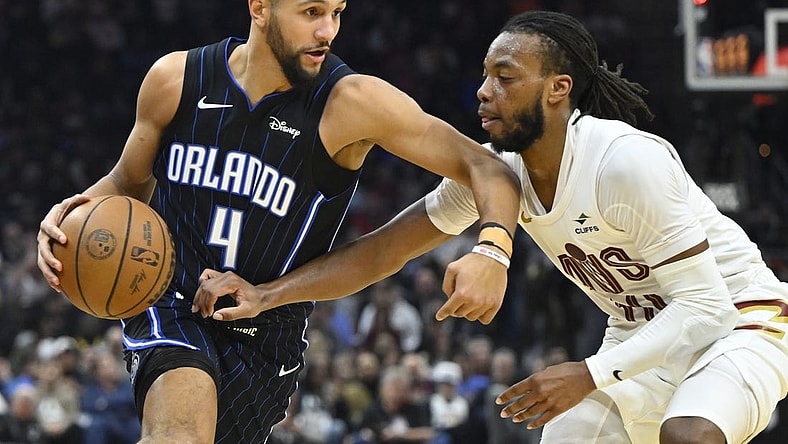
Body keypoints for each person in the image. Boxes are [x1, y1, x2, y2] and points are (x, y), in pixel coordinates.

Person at [193, 10, 788, 444]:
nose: (484, 91)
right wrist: (267, 293)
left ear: (558, 89)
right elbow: (383, 252)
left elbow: (706, 308)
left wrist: (589, 371)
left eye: (506, 77)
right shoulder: (497, 173)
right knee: (567, 437)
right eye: (484, 75)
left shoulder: (625, 161)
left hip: (744, 323)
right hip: (644, 342)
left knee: (687, 435)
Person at [35, 1, 522, 442]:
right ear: (259, 7)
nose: (328, 30)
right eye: (311, 12)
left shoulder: (351, 103)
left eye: (337, 12)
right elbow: (125, 182)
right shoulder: (175, 79)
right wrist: (65, 218)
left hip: (266, 336)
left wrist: (493, 250)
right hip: (172, 301)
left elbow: (488, 167)